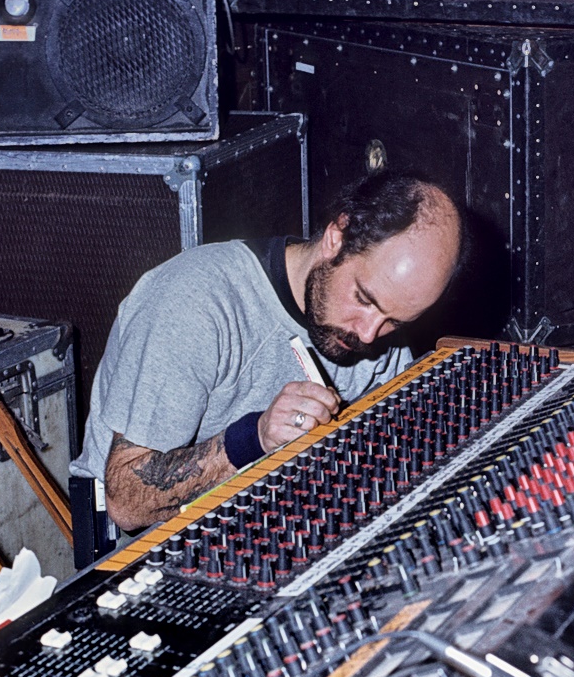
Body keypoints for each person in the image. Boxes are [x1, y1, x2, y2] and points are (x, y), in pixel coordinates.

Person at [70, 170, 465, 531]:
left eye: (395, 321)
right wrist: (252, 438)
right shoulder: (195, 300)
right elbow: (126, 501)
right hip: (152, 553)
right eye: (364, 299)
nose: (368, 334)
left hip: (281, 528)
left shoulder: (380, 331)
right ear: (336, 238)